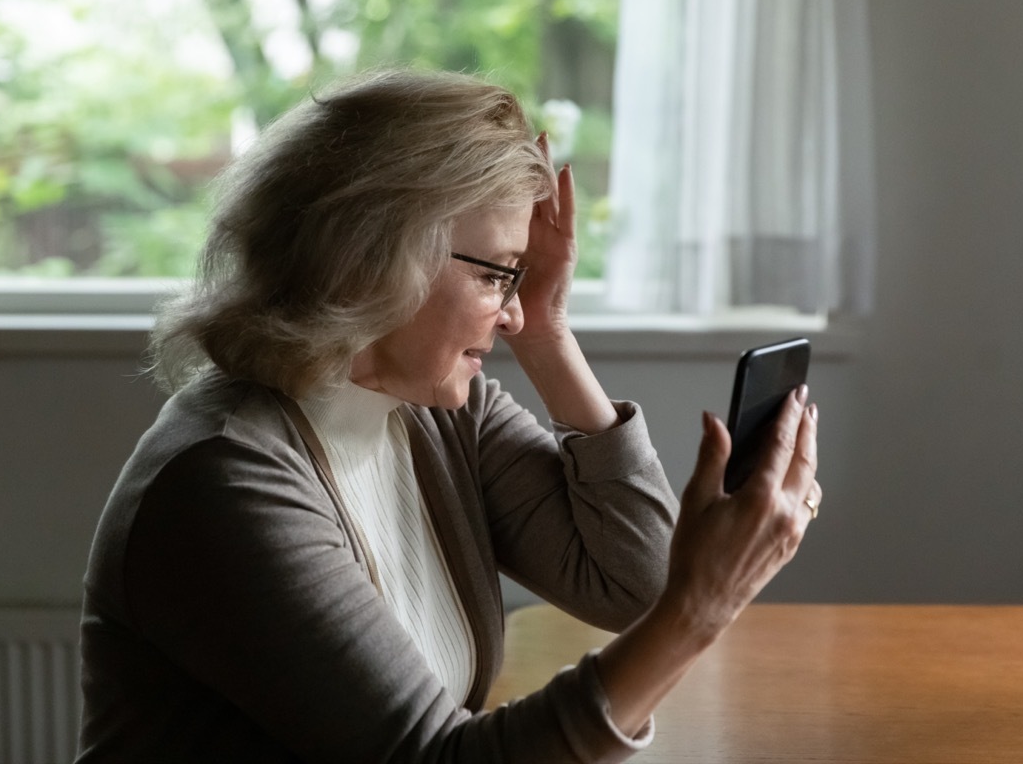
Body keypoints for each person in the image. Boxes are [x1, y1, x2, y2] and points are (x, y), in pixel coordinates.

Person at [76, 69, 821, 763]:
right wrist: (702, 606)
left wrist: (550, 331)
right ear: (374, 256)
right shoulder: (223, 477)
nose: (513, 314)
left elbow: (634, 584)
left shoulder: (430, 413)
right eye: (498, 274)